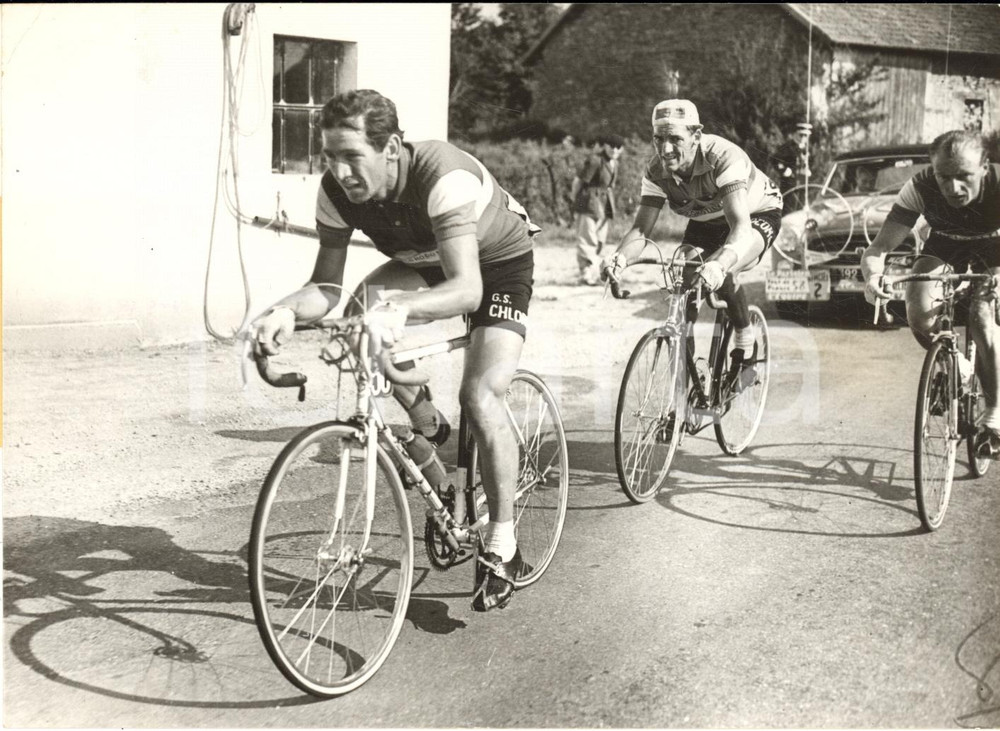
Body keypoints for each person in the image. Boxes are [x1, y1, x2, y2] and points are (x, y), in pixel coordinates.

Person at [251, 89, 540, 611]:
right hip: (424, 260)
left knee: (481, 395)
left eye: (352, 156)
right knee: (361, 316)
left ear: (391, 148)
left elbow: (466, 289)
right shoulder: (336, 193)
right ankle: (428, 424)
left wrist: (401, 309)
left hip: (494, 266)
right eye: (330, 157)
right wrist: (284, 312)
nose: (340, 171)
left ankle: (503, 540)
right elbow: (328, 289)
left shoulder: (441, 177)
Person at [601, 99, 783, 379]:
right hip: (705, 222)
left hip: (754, 215)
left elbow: (740, 229)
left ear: (696, 135)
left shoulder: (722, 157)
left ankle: (745, 338)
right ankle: (688, 380)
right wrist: (619, 259)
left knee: (724, 268)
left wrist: (719, 266)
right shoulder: (656, 171)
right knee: (683, 282)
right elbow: (640, 231)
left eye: (675, 139)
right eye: (658, 139)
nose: (666, 149)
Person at [861, 130, 1000, 456]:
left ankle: (994, 412)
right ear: (932, 170)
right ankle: (960, 369)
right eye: (944, 177)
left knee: (982, 317)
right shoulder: (920, 186)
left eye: (964, 176)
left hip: (996, 246)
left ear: (984, 166)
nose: (953, 188)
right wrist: (873, 277)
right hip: (945, 243)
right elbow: (879, 247)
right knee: (919, 315)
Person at [571, 134, 624, 285]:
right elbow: (578, 182)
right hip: (588, 202)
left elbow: (609, 187)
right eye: (611, 146)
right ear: (605, 146)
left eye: (618, 147)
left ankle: (595, 273)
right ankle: (585, 274)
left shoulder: (614, 163)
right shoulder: (595, 160)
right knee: (587, 239)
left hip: (605, 203)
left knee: (600, 240)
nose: (614, 149)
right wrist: (575, 201)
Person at [772, 122, 812, 212]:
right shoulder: (787, 147)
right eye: (801, 135)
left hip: (802, 182)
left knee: (801, 208)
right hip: (790, 183)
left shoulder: (807, 148)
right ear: (795, 134)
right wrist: (784, 170)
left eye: (806, 135)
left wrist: (808, 169)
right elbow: (774, 159)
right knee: (789, 208)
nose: (803, 138)